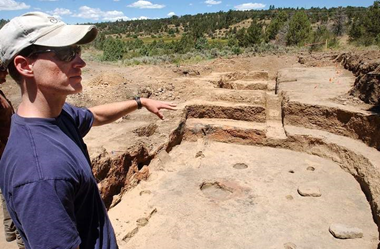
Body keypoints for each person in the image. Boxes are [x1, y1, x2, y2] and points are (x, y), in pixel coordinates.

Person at [0, 12, 176, 249]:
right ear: (24, 65)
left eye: (77, 50)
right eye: (65, 53)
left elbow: (95, 115)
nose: (80, 62)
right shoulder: (41, 173)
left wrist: (139, 102)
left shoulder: (59, 117)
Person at [0, 67, 25, 249]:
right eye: (2, 70)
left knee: (6, 194)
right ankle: (21, 240)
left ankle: (10, 232)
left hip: (6, 154)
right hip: (5, 156)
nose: (6, 74)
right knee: (15, 196)